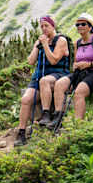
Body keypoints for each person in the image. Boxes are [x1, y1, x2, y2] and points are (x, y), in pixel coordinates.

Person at [14, 15, 70, 146]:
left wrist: (45, 45)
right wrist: (37, 46)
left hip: (58, 74)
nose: (44, 29)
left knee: (45, 81)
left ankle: (45, 114)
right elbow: (30, 61)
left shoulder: (60, 40)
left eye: (47, 26)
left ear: (53, 26)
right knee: (25, 99)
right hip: (38, 77)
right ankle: (21, 132)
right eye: (42, 26)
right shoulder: (40, 42)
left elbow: (54, 60)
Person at [52, 13, 93, 123]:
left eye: (83, 24)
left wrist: (90, 64)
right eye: (77, 25)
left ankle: (78, 123)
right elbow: (76, 60)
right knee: (59, 84)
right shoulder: (77, 43)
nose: (79, 27)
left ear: (90, 27)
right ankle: (58, 117)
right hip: (80, 72)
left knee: (79, 92)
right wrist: (75, 65)